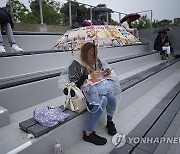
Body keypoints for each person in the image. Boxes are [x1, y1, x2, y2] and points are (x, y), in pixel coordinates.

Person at [63, 42, 121, 145]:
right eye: (92, 55)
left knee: (111, 97)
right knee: (103, 100)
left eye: (96, 53)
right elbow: (73, 86)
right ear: (85, 55)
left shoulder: (96, 61)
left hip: (97, 89)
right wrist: (88, 76)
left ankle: (110, 121)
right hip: (82, 94)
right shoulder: (75, 65)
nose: (95, 57)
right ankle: (88, 133)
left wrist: (104, 73)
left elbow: (98, 78)